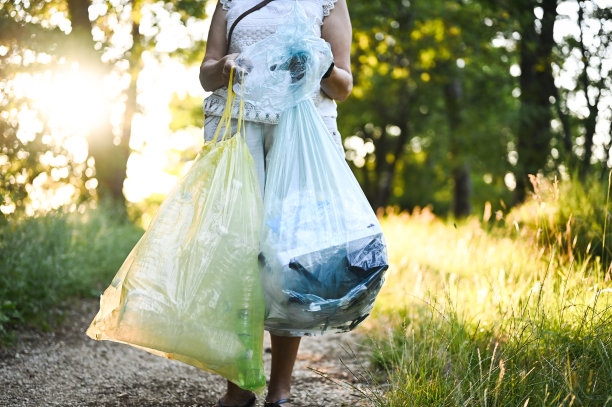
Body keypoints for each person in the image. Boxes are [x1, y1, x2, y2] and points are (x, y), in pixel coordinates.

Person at [198, 1, 353, 406]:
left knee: (290, 258)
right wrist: (225, 66)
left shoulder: (327, 2)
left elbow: (344, 85)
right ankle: (239, 385)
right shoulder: (230, 2)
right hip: (237, 132)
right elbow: (205, 73)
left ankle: (280, 390)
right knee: (237, 254)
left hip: (299, 137)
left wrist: (316, 68)